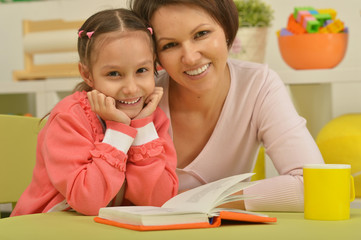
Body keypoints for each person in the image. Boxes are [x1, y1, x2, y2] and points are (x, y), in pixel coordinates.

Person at [130, 0, 325, 212]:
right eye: (170, 45)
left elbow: (316, 184)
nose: (191, 57)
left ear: (226, 27)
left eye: (201, 34)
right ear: (155, 54)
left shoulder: (258, 85)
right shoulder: (136, 96)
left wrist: (193, 200)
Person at [11, 8, 178, 217]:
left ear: (155, 66)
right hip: (48, 225)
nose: (131, 88)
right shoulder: (69, 118)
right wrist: (119, 132)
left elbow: (159, 201)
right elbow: (88, 202)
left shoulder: (151, 119)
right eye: (114, 74)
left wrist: (142, 129)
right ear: (87, 74)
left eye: (142, 70)